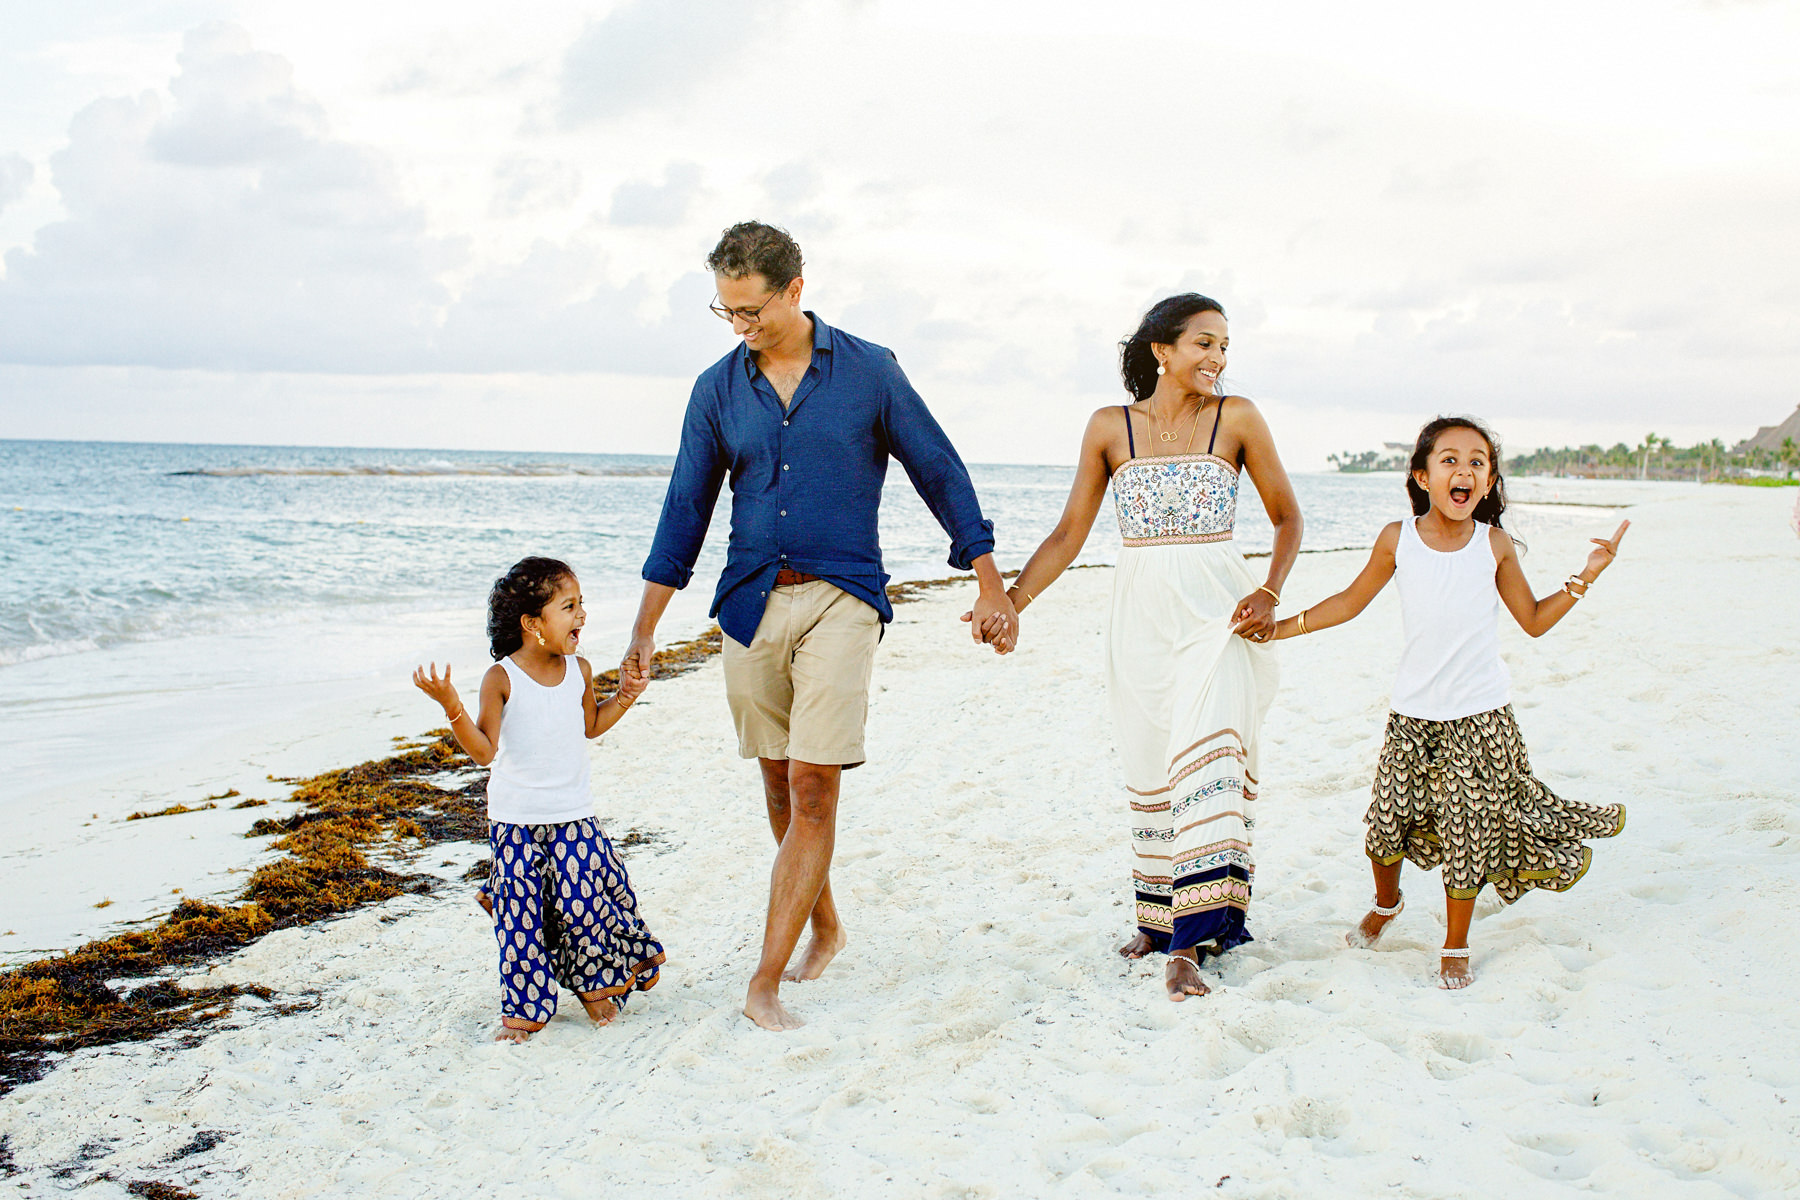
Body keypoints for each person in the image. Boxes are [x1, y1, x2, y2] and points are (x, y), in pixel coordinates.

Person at [624, 222, 1016, 1031]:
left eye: (751, 308)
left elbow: (937, 468)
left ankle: (762, 981)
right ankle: (826, 924)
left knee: (812, 784)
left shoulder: (870, 371)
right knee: (777, 779)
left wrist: (989, 584)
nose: (741, 325)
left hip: (842, 594)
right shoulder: (718, 388)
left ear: (795, 290)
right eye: (726, 311)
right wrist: (643, 631)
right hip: (749, 601)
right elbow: (684, 511)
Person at [999, 294, 1301, 1001]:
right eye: (1204, 344)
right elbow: (1070, 533)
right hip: (1139, 618)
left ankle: (1191, 943)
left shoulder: (1239, 418)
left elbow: (1287, 516)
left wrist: (1270, 590)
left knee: (1208, 765)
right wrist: (1012, 602)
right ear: (1161, 350)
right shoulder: (1110, 428)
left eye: (1225, 347)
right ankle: (1157, 918)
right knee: (1152, 767)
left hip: (1218, 616)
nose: (1218, 360)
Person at [1268, 416, 1629, 988]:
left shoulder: (1494, 544)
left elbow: (1533, 621)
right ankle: (1387, 905)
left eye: (1478, 462)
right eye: (1450, 460)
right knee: (1384, 830)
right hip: (1412, 718)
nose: (1464, 469)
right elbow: (1350, 601)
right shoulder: (1398, 537)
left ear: (1488, 483)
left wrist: (1586, 574)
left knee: (1468, 835)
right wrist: (1280, 628)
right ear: (1423, 475)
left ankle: (1455, 943)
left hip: (1481, 720)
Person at [414, 556, 665, 1041]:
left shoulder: (580, 670)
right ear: (533, 624)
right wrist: (452, 706)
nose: (582, 616)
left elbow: (590, 725)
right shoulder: (501, 677)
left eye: (581, 605)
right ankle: (524, 1012)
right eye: (569, 607)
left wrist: (626, 696)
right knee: (521, 924)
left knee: (585, 910)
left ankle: (596, 990)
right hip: (516, 823)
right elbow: (484, 752)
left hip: (575, 818)